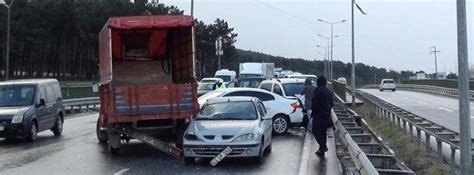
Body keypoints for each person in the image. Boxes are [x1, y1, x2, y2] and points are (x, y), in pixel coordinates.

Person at [311, 76, 334, 157]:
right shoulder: (328, 91)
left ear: (318, 82)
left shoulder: (317, 90)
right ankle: (321, 149)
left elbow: (314, 102)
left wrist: (314, 112)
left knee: (315, 130)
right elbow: (332, 103)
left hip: (318, 114)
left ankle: (323, 146)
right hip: (326, 114)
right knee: (323, 131)